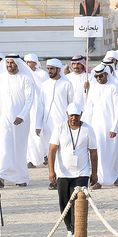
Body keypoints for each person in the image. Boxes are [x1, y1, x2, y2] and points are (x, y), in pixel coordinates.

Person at [47, 102, 98, 237]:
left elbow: (93, 153)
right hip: (63, 173)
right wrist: (51, 171)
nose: (74, 118)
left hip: (81, 173)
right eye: (71, 115)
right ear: (67, 114)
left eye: (76, 115)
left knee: (78, 203)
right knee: (64, 204)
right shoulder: (60, 128)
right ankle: (69, 229)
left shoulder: (88, 130)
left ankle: (76, 231)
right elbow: (52, 150)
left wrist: (94, 173)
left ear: (81, 114)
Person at [0, 54, 36, 187]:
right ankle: (0, 177)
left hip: (21, 121)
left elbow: (30, 99)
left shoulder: (25, 78)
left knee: (19, 149)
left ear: (17, 63)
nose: (9, 65)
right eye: (7, 62)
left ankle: (21, 178)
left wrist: (22, 115)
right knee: (4, 147)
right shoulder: (1, 78)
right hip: (4, 119)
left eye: (11, 62)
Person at [84, 65, 118, 189]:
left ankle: (112, 177)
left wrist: (114, 127)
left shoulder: (113, 87)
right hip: (96, 125)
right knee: (99, 152)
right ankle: (99, 180)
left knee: (112, 153)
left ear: (106, 74)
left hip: (110, 125)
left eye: (101, 76)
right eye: (96, 76)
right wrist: (86, 126)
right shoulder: (93, 88)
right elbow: (89, 108)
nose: (99, 78)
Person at [39, 59, 74, 189]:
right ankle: (53, 178)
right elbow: (40, 106)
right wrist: (38, 124)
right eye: (48, 69)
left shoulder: (67, 84)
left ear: (59, 69)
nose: (49, 71)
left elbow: (71, 105)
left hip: (62, 123)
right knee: (51, 152)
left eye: (52, 69)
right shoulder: (45, 85)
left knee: (63, 151)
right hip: (48, 123)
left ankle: (62, 178)